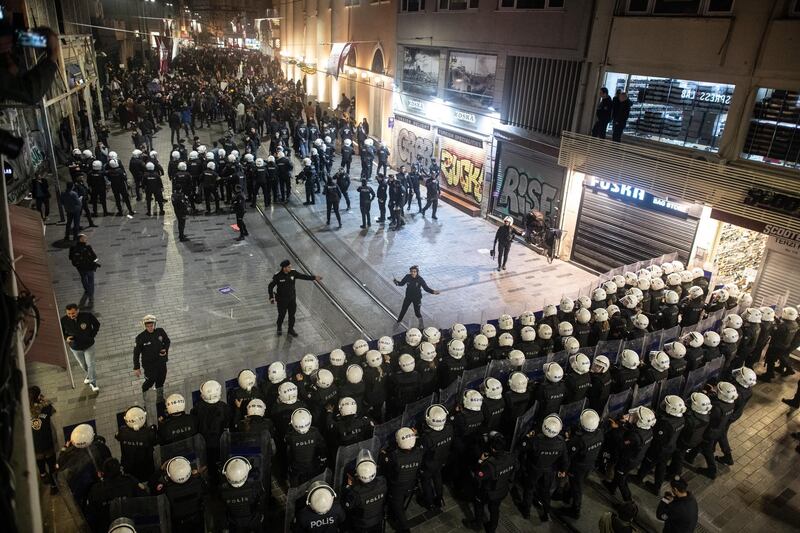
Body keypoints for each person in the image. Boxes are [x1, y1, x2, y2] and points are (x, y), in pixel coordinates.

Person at [85, 457, 145, 533]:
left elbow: (92, 513)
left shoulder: (96, 489)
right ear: (120, 469)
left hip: (106, 527)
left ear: (103, 473)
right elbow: (143, 500)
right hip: (131, 525)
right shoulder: (129, 481)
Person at [268, 259, 323, 337]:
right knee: (281, 315)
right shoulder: (277, 276)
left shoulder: (293, 272)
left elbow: (303, 276)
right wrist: (271, 297)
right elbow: (270, 286)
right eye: (289, 267)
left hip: (291, 299)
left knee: (292, 315)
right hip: (282, 300)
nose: (290, 268)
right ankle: (279, 327)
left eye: (290, 267)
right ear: (284, 268)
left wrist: (314, 277)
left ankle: (290, 329)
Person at [60, 303, 100, 392]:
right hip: (75, 347)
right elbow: (62, 331)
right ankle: (89, 375)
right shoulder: (63, 320)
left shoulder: (87, 316)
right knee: (83, 365)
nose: (71, 315)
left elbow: (97, 324)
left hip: (88, 345)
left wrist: (92, 335)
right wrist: (66, 337)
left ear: (77, 310)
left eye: (73, 313)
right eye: (69, 314)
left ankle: (93, 383)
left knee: (90, 364)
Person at [133, 314, 171, 402]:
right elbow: (136, 353)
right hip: (149, 366)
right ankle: (145, 395)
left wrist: (165, 349)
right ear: (145, 326)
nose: (150, 328)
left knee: (161, 380)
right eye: (148, 326)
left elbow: (167, 341)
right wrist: (136, 367)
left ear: (155, 324)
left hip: (161, 363)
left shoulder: (160, 331)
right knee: (150, 381)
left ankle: (160, 397)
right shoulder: (140, 338)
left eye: (152, 326)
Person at [29, 387, 58, 494]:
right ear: (38, 396)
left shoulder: (25, 410)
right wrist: (43, 400)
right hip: (48, 443)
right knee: (52, 467)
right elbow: (53, 411)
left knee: (41, 465)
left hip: (36, 446)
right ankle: (54, 486)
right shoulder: (46, 407)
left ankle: (43, 475)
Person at [68, 234, 99, 309]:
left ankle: (86, 290)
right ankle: (90, 295)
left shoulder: (72, 248)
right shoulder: (88, 247)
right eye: (85, 238)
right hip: (89, 268)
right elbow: (95, 257)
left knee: (83, 278)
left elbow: (70, 257)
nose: (86, 239)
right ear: (81, 239)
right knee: (91, 280)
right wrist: (94, 261)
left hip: (80, 268)